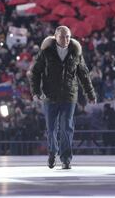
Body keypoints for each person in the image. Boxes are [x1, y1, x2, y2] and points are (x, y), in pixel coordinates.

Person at [29, 26, 96, 169]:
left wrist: (90, 94)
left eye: (68, 36)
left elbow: (83, 74)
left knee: (67, 127)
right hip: (49, 96)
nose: (65, 39)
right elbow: (35, 73)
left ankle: (66, 159)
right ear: (55, 37)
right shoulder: (46, 52)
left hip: (69, 96)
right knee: (51, 128)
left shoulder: (76, 52)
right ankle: (52, 153)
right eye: (62, 36)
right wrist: (35, 92)